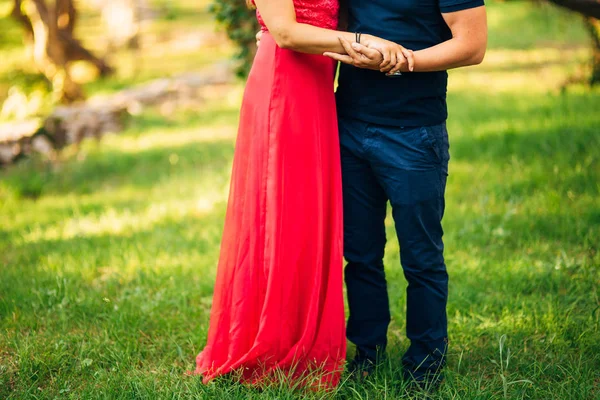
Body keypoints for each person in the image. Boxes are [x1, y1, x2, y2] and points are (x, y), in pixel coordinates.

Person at [193, 0, 414, 388]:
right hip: (284, 83)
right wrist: (362, 40)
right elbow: (286, 32)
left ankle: (307, 338)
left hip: (319, 89)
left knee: (307, 217)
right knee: (280, 213)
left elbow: (337, 16)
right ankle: (269, 338)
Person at [322, 0, 488, 388]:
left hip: (414, 134)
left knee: (421, 258)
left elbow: (473, 45)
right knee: (360, 255)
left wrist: (403, 60)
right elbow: (336, 24)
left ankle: (425, 366)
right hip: (349, 124)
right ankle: (367, 355)